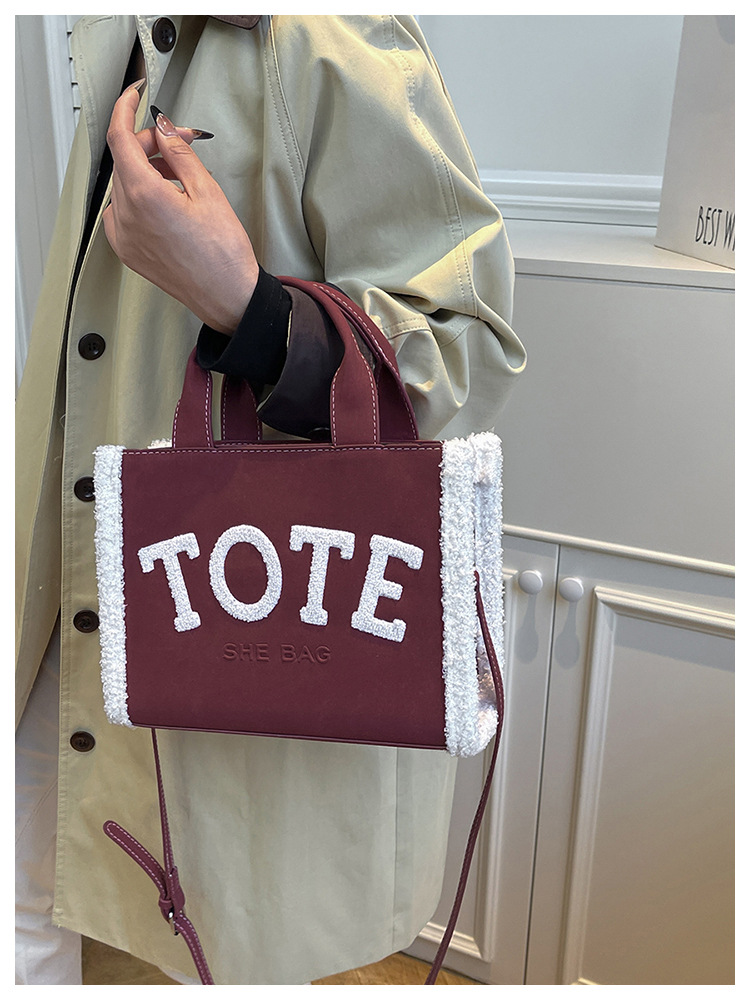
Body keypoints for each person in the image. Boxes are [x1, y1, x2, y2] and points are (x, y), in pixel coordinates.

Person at [16, 15, 526, 986]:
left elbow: (468, 345)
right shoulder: (109, 36)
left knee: (209, 935)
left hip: (212, 597)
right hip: (72, 580)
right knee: (35, 905)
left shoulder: (324, 31)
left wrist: (249, 310)